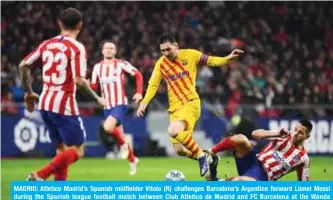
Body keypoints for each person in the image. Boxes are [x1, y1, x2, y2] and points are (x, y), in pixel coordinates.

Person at [136, 33, 244, 176]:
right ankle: (211, 159)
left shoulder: (191, 55)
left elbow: (210, 60)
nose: (165, 53)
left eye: (168, 49)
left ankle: (201, 156)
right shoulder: (161, 64)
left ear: (176, 46)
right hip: (174, 110)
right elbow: (153, 85)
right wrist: (144, 103)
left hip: (190, 103)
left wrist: (227, 59)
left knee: (173, 130)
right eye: (162, 50)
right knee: (180, 151)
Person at [19, 8, 106, 181]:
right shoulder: (77, 47)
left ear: (60, 23)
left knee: (61, 151)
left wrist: (28, 92)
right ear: (80, 25)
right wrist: (97, 99)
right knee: (77, 150)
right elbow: (79, 81)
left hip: (44, 103)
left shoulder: (47, 44)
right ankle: (40, 174)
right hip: (63, 104)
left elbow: (23, 65)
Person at [90, 41, 142, 175]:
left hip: (120, 103)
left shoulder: (121, 64)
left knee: (107, 127)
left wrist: (139, 92)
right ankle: (132, 160)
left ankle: (124, 146)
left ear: (115, 51)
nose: (108, 50)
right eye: (106, 48)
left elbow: (138, 74)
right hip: (107, 106)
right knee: (120, 135)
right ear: (102, 51)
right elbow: (94, 87)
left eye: (111, 48)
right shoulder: (97, 68)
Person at [207, 119, 312, 181]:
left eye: (301, 133)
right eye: (295, 130)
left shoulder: (303, 159)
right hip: (253, 160)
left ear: (307, 136)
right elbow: (254, 134)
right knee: (241, 138)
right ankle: (211, 152)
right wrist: (276, 133)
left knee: (241, 183)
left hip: (263, 177)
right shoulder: (283, 135)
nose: (296, 134)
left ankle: (218, 182)